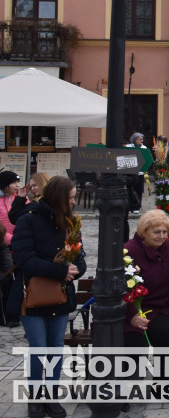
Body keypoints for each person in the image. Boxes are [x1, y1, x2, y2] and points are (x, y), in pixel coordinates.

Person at [9, 176, 86, 418]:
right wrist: (60, 271)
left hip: (62, 296)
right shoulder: (28, 220)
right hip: (32, 295)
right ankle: (36, 397)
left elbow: (80, 257)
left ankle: (51, 396)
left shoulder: (70, 222)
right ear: (58, 198)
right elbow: (23, 257)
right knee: (38, 348)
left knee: (54, 348)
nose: (74, 202)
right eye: (71, 198)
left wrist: (76, 269)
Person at [125, 210, 169, 348]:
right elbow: (121, 289)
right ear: (144, 232)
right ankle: (134, 370)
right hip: (134, 309)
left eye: (165, 232)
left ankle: (163, 370)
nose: (162, 236)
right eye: (157, 232)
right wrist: (132, 315)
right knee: (133, 339)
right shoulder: (129, 250)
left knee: (168, 333)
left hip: (162, 308)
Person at [126, 131, 147, 215]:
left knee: (138, 190)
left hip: (140, 173)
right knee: (130, 190)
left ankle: (137, 207)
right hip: (130, 173)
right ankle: (130, 206)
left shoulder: (144, 148)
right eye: (139, 139)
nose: (141, 140)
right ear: (134, 140)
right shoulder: (129, 147)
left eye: (142, 139)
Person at [0, 170, 23, 245]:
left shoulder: (21, 198)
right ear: (4, 184)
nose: (17, 185)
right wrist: (11, 239)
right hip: (3, 242)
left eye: (17, 182)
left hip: (20, 241)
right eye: (14, 183)